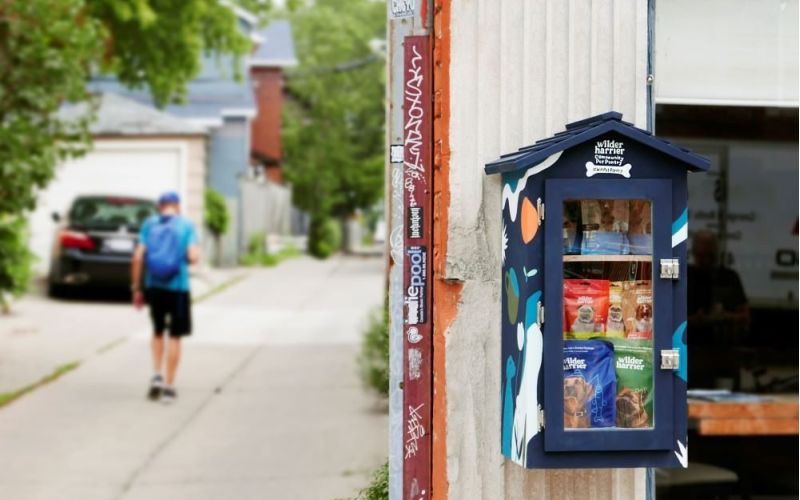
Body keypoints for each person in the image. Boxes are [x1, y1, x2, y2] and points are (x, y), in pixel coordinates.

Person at [131, 192, 200, 403]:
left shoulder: (149, 224)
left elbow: (137, 257)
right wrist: (187, 257)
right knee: (175, 336)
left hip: (154, 287)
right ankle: (169, 388)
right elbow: (194, 257)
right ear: (177, 206)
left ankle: (156, 376)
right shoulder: (187, 225)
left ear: (160, 207)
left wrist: (136, 288)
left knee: (158, 331)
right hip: (179, 288)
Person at [687, 230, 750, 388]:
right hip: (690, 350)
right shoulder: (684, 276)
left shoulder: (729, 277)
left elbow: (745, 315)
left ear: (717, 254)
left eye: (710, 256)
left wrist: (725, 317)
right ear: (693, 253)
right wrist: (694, 320)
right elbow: (667, 317)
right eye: (701, 255)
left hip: (723, 350)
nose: (706, 260)